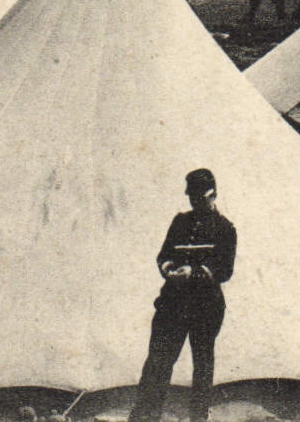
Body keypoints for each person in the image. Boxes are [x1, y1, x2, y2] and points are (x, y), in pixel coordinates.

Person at [129, 169, 237, 422]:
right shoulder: (180, 222)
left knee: (202, 365)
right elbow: (164, 255)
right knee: (158, 361)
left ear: (214, 196)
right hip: (173, 304)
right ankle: (145, 416)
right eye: (193, 199)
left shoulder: (225, 228)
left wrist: (195, 272)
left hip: (205, 306)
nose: (196, 204)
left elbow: (224, 269)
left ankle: (198, 417)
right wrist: (169, 270)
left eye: (201, 199)